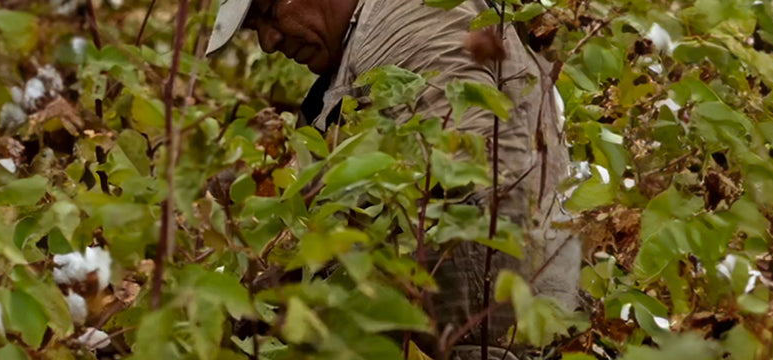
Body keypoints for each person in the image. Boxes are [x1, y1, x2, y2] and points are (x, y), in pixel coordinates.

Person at [206, 0, 581, 358]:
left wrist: (305, 272)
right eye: (256, 28)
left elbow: (458, 169)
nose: (268, 42)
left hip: (484, 334)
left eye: (270, 11)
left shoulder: (405, 22)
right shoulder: (360, 46)